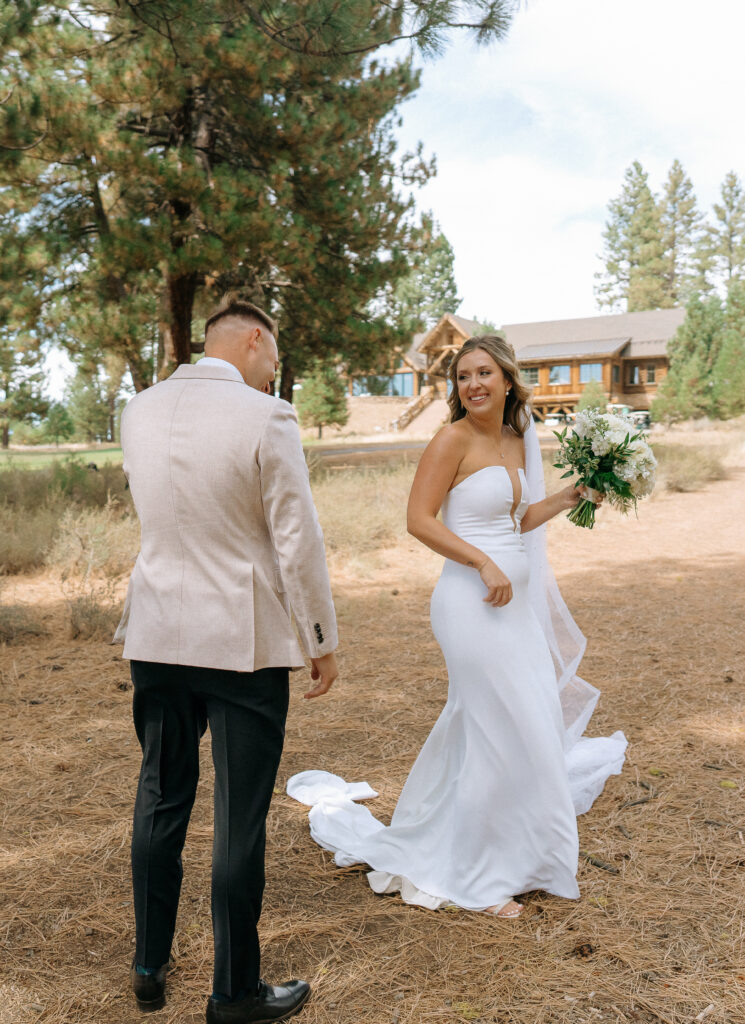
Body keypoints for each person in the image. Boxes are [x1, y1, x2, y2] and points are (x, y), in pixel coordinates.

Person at [288, 335, 626, 918]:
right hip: (468, 606)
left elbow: (519, 519)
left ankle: (520, 856)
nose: (473, 384)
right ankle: (477, 874)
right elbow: (418, 519)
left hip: (514, 607)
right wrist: (481, 561)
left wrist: (576, 492)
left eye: (484, 373)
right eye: (463, 376)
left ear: (508, 381)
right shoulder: (452, 439)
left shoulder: (519, 439)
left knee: (523, 724)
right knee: (500, 727)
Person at [115, 298, 338, 1022]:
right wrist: (319, 638)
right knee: (239, 817)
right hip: (241, 642)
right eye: (274, 357)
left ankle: (148, 966)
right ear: (252, 341)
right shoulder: (265, 415)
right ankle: (233, 992)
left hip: (156, 633)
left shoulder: (138, 410)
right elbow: (295, 540)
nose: (275, 372)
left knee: (160, 795)